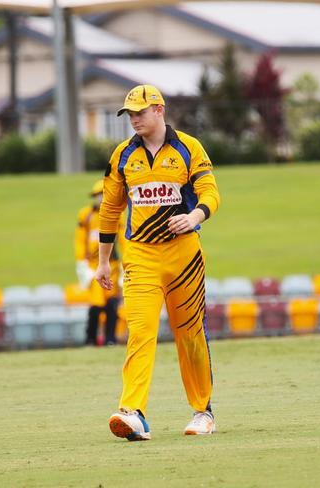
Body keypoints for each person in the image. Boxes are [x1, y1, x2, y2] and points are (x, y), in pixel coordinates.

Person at [95, 84, 221, 441]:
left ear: (159, 111)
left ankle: (202, 411)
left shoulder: (189, 148)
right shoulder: (122, 155)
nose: (134, 119)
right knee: (140, 332)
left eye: (140, 112)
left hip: (184, 256)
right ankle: (132, 413)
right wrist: (104, 262)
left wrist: (195, 215)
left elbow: (211, 192)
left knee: (190, 335)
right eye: (129, 114)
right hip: (140, 256)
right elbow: (110, 209)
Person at [74, 180, 122, 346]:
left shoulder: (118, 214)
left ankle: (110, 339)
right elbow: (80, 240)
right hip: (93, 265)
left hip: (113, 264)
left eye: (102, 194)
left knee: (112, 303)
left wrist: (127, 264)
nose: (100, 198)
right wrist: (81, 263)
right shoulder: (86, 215)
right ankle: (90, 339)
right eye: (97, 195)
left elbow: (124, 239)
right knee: (95, 303)